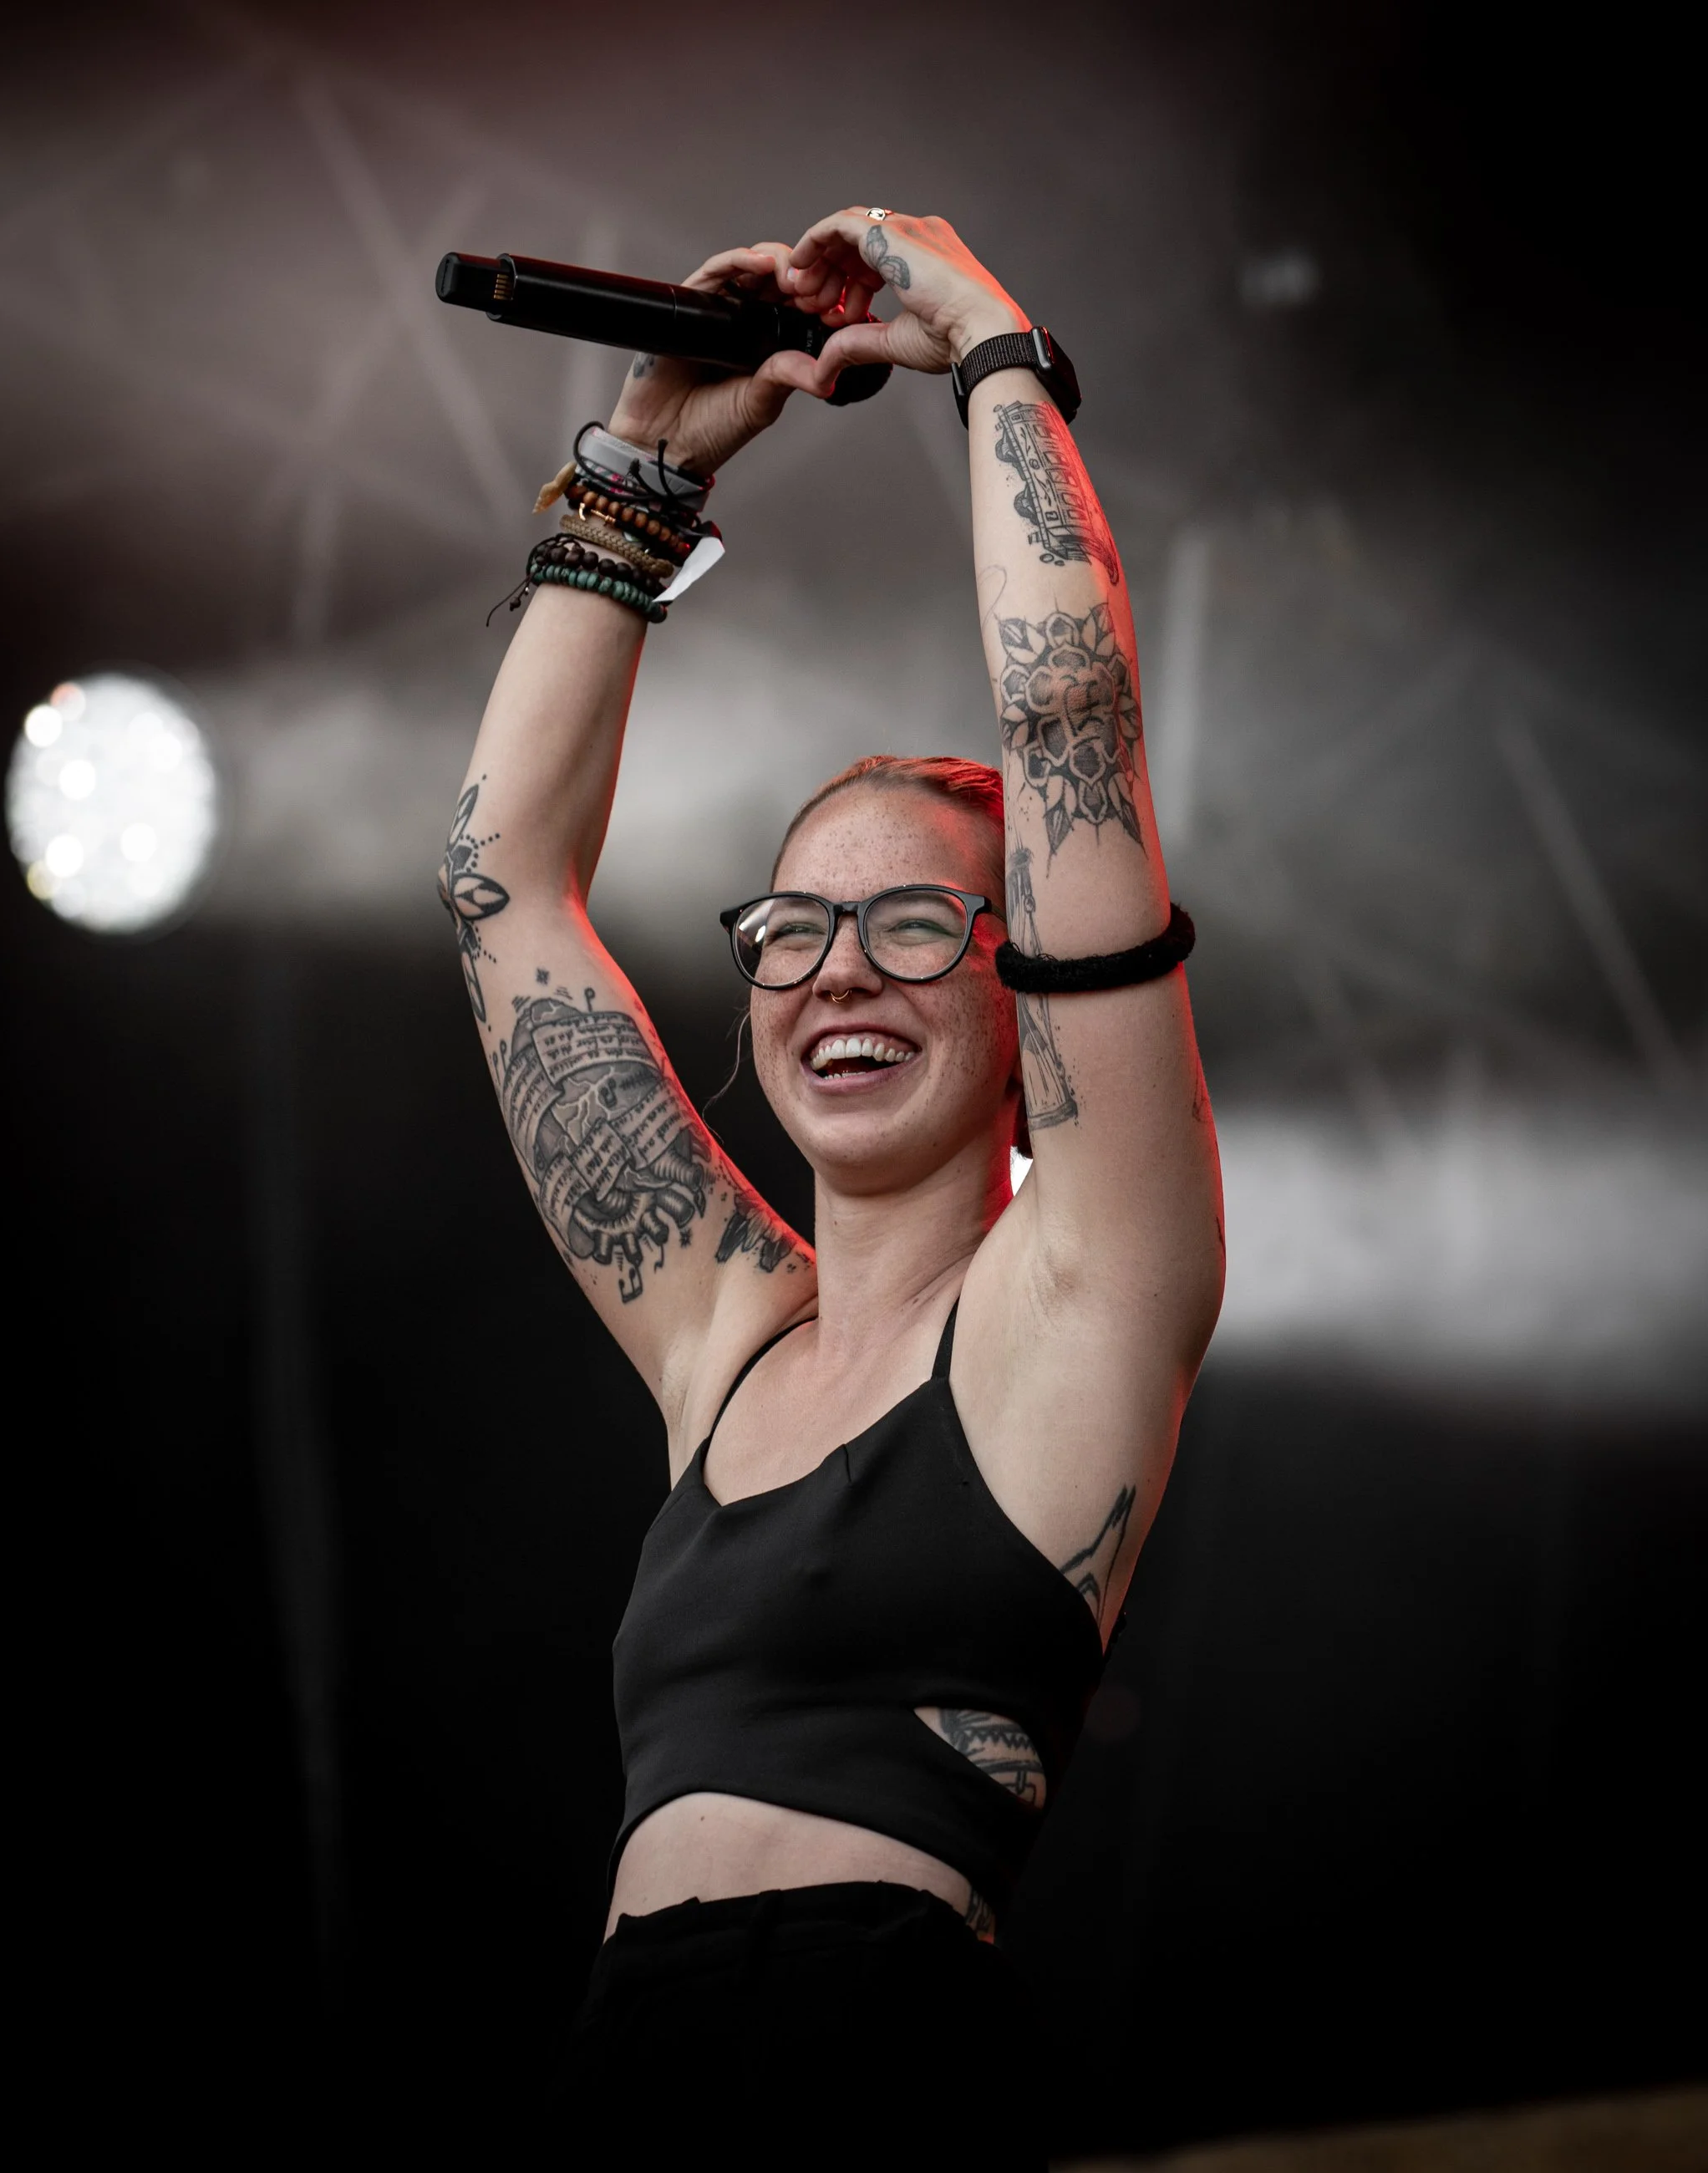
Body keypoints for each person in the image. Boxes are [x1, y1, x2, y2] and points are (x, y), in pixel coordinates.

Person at [444, 207, 1223, 2169]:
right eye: (787, 930)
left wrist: (991, 361)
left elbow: (1063, 734)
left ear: (1014, 976)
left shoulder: (1086, 1283)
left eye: (900, 923)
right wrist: (643, 464)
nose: (833, 971)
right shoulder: (723, 1329)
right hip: (618, 2069)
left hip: (871, 2066)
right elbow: (500, 889)